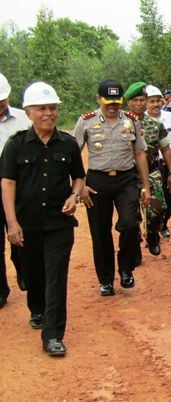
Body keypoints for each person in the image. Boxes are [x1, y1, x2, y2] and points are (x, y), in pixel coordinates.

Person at [1, 82, 85, 356]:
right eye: (42, 108)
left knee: (56, 277)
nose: (48, 113)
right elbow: (8, 184)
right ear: (28, 112)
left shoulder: (69, 144)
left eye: (53, 108)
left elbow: (79, 177)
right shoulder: (15, 146)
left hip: (60, 223)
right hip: (28, 223)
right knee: (34, 273)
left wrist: (75, 196)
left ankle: (53, 335)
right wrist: (12, 223)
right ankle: (36, 308)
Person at [74, 79, 151, 296]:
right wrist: (80, 185)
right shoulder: (86, 121)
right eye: (108, 102)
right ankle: (106, 279)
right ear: (98, 99)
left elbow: (139, 153)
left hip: (126, 180)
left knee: (129, 224)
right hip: (97, 181)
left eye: (117, 102)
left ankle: (126, 268)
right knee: (100, 232)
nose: (113, 107)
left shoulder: (131, 120)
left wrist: (146, 186)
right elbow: (73, 155)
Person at [124, 82, 171, 256]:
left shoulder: (155, 125)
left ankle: (152, 234)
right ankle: (135, 243)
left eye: (141, 100)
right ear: (128, 102)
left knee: (158, 209)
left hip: (152, 172)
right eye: (135, 100)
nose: (138, 104)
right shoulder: (120, 124)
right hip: (128, 175)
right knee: (132, 215)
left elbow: (166, 149)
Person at [0, 72, 30, 308]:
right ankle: (1, 289)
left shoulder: (24, 120)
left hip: (20, 188)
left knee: (22, 236)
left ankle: (22, 268)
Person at [145, 85, 171, 238]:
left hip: (167, 164)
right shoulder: (139, 120)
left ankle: (163, 223)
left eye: (158, 101)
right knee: (152, 199)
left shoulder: (170, 117)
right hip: (149, 166)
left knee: (170, 198)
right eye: (152, 101)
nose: (156, 104)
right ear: (146, 103)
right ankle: (150, 228)